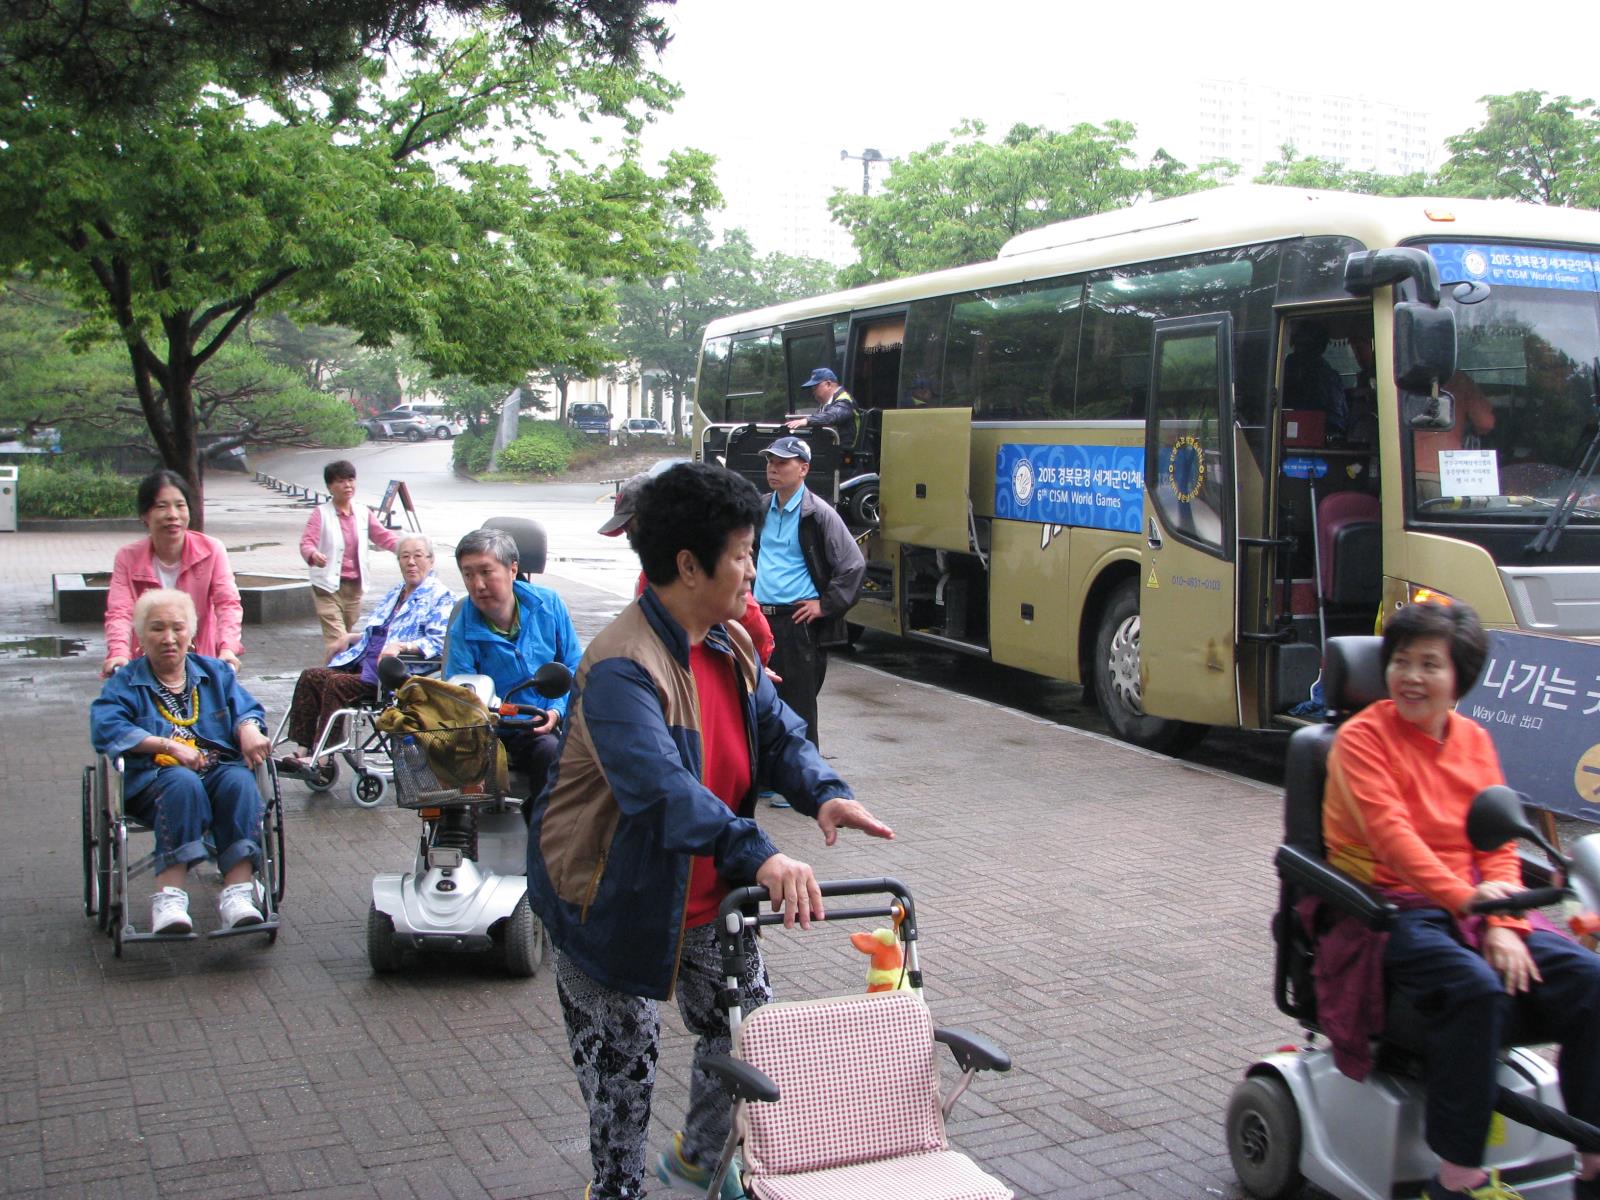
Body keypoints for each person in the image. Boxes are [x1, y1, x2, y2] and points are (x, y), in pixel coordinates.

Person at [525, 461, 894, 1200]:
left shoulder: (730, 641)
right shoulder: (622, 668)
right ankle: (618, 1189)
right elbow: (662, 795)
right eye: (741, 555)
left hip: (708, 898)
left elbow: (778, 731)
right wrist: (761, 855)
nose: (754, 570)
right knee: (624, 1074)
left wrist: (822, 793)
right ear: (689, 566)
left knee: (748, 1033)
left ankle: (697, 1156)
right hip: (610, 899)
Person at [1323, 600, 1600, 1199]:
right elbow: (1394, 843)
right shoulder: (1360, 740)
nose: (1412, 677)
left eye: (1430, 664)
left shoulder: (1474, 739)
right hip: (1388, 907)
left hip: (1473, 906)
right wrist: (1477, 907)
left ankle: (1593, 1161)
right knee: (1473, 989)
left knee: (1591, 978)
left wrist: (1502, 919)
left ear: (1460, 678)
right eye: (1401, 661)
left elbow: (1495, 838)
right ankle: (1457, 1178)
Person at [90, 588, 273, 934]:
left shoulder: (215, 673)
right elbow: (105, 729)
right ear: (141, 636)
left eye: (178, 627)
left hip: (216, 772)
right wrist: (168, 746)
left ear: (191, 633)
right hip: (152, 782)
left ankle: (237, 894)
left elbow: (246, 708)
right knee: (182, 782)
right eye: (157, 628)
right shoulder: (125, 683)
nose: (169, 638)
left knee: (239, 782)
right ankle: (169, 898)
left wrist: (248, 727)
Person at [280, 534, 457, 767]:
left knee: (337, 684)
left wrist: (403, 646)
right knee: (310, 676)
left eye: (417, 556)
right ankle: (303, 748)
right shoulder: (396, 592)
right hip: (363, 663)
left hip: (390, 675)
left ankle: (322, 758)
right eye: (405, 556)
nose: (411, 562)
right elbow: (381, 630)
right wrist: (349, 637)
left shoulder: (441, 597)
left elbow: (438, 642)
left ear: (431, 560)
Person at [753, 435, 864, 785]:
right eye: (770, 461)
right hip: (757, 620)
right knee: (758, 704)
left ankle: (802, 782)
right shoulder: (758, 509)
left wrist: (825, 605)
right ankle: (770, 779)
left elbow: (853, 566)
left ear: (803, 469)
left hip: (796, 623)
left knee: (797, 708)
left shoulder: (819, 514)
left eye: (782, 462)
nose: (773, 468)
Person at [443, 527, 581, 789]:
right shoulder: (463, 625)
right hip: (487, 730)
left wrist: (555, 709)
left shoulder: (548, 605)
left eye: (485, 572)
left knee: (553, 757)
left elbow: (575, 665)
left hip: (539, 725)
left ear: (512, 569)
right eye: (468, 574)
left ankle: (545, 827)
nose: (477, 584)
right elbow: (459, 688)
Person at [599, 469, 775, 667]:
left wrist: (752, 672)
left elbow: (756, 627)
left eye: (631, 527)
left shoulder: (706, 576)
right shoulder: (623, 659)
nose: (630, 537)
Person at [102, 469, 244, 679]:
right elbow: (120, 611)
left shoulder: (212, 550)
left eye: (180, 505)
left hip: (200, 661)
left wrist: (228, 648)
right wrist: (118, 652)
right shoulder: (127, 557)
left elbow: (227, 603)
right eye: (162, 506)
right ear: (145, 514)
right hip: (146, 663)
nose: (173, 515)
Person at [300, 460, 400, 660]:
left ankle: (332, 676)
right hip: (327, 588)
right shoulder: (321, 514)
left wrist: (407, 549)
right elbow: (306, 543)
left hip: (354, 588)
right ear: (330, 486)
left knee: (343, 639)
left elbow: (383, 536)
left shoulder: (363, 512)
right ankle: (332, 681)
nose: (347, 485)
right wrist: (313, 554)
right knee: (337, 640)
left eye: (350, 479)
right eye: (340, 481)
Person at [1283, 321, 1349, 441]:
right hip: (1333, 434)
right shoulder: (1330, 372)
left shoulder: (1295, 365)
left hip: (1312, 434)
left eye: (1302, 345)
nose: (1298, 349)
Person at [785, 366, 858, 444]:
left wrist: (806, 421)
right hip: (831, 448)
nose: (813, 392)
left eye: (815, 387)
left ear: (828, 384)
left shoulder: (845, 401)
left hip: (845, 452)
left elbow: (832, 416)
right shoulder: (826, 404)